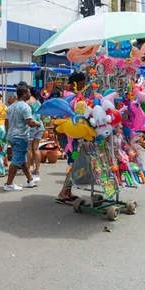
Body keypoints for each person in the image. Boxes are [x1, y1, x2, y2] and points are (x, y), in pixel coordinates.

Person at [3, 86, 41, 192]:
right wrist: (37, 123)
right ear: (24, 94)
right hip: (20, 136)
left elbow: (6, 123)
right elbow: (30, 122)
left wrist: (9, 132)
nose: (30, 94)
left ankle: (30, 180)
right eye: (28, 92)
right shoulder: (25, 107)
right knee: (16, 160)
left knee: (22, 159)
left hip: (12, 136)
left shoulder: (10, 107)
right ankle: (8, 184)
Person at [56, 72, 87, 203]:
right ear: (79, 83)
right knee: (74, 163)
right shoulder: (72, 97)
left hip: (67, 134)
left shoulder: (65, 95)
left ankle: (67, 192)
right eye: (83, 83)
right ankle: (63, 192)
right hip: (71, 136)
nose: (84, 86)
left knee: (74, 162)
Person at [27, 86, 45, 175]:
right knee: (36, 148)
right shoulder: (38, 102)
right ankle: (37, 169)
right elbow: (42, 115)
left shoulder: (28, 101)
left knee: (29, 148)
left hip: (32, 125)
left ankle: (28, 167)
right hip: (40, 125)